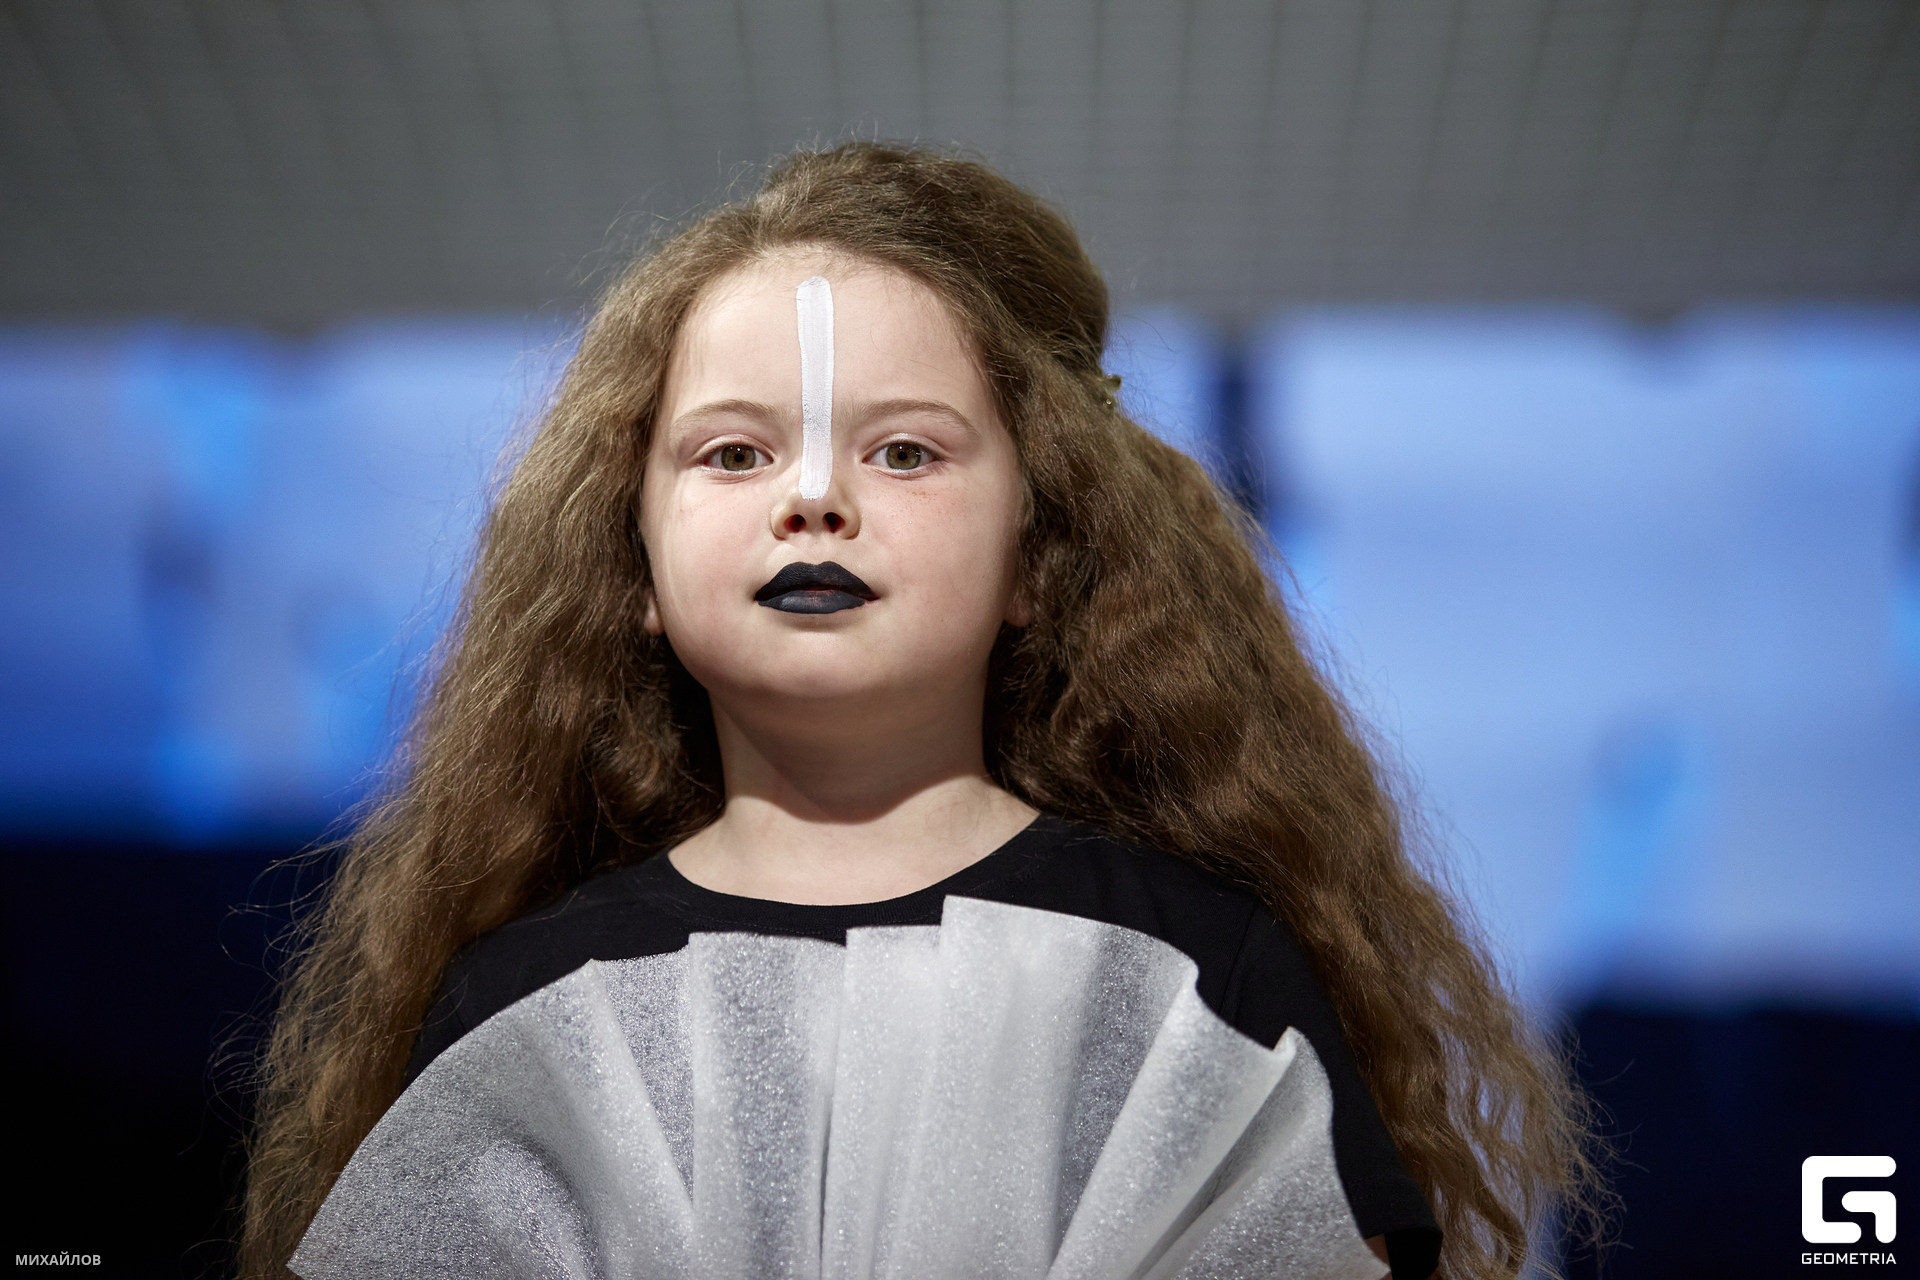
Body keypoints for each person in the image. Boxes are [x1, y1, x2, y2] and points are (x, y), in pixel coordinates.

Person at [240, 143, 1603, 1280]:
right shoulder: (520, 998)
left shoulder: (1199, 960)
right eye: (734, 452)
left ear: (1036, 556)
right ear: (632, 566)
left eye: (903, 450)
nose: (813, 498)